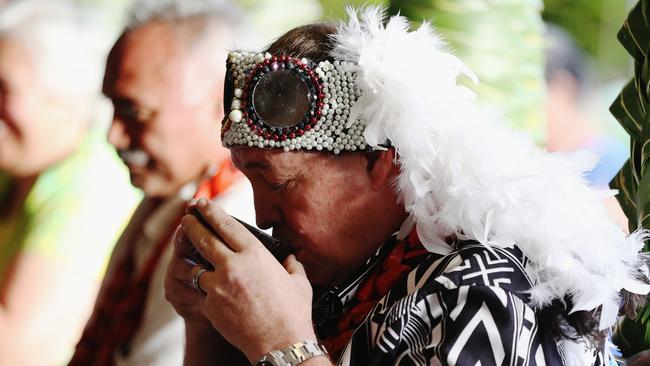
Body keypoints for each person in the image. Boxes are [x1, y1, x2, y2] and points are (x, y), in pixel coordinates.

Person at [165, 7, 650, 366]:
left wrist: (282, 342)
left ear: (379, 162)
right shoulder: (338, 277)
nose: (263, 215)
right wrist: (205, 325)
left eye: (280, 183)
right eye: (249, 178)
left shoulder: (482, 290)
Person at [69, 1, 255, 365]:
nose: (114, 136)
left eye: (134, 112)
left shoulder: (231, 222)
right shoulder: (169, 197)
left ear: (221, 101)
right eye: (112, 108)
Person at [0, 1, 141, 364]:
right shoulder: (21, 165)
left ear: (67, 89)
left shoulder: (89, 183)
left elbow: (16, 351)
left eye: (4, 87)